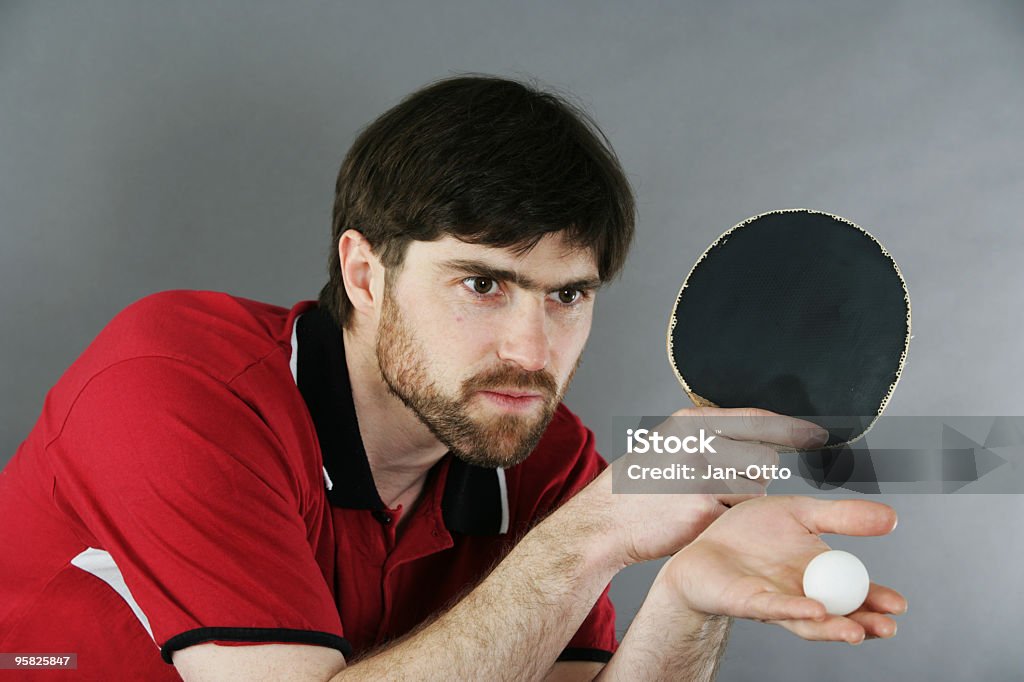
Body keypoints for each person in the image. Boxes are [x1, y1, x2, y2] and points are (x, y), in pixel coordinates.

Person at [0, 75, 906, 681]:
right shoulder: (171, 386)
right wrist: (587, 537)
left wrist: (685, 601)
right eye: (483, 284)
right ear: (364, 274)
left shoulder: (541, 457)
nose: (530, 346)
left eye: (569, 295)